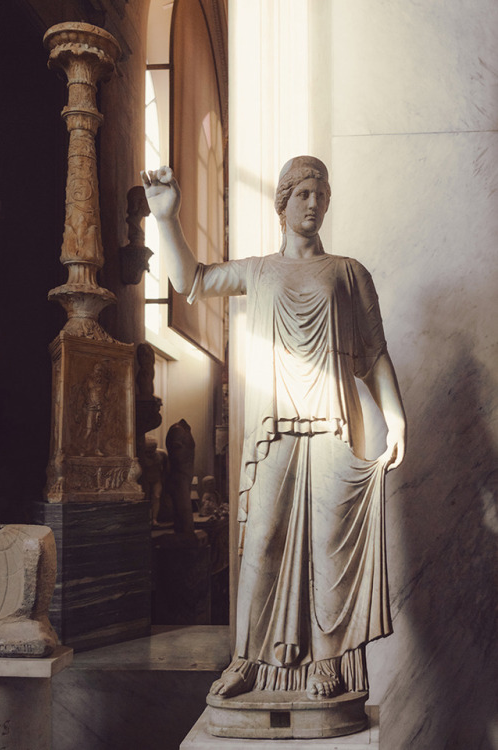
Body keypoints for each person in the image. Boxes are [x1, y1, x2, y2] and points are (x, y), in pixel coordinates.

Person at [141, 156, 407, 700]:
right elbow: (191, 281)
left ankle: (327, 660)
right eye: (302, 193)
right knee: (261, 542)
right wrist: (166, 218)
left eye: (320, 193)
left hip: (332, 424)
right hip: (275, 431)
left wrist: (397, 418)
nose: (312, 202)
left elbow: (376, 353)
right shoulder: (259, 270)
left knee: (331, 546)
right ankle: (249, 657)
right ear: (283, 202)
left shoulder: (350, 273)